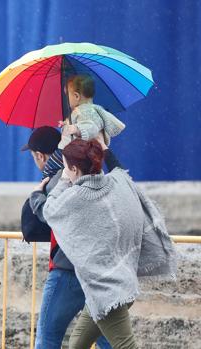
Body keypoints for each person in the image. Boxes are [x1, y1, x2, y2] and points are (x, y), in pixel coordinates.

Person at [31, 139, 177, 349]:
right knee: (78, 342)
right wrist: (104, 147)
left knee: (124, 345)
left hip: (108, 289)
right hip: (117, 281)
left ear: (73, 168)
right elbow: (120, 171)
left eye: (66, 168)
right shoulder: (115, 183)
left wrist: (48, 187)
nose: (65, 172)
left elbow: (49, 210)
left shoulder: (77, 196)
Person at [20, 127, 112, 349]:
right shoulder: (99, 180)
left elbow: (40, 220)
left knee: (47, 339)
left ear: (40, 156)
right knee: (109, 338)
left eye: (35, 157)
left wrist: (36, 195)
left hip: (67, 271)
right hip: (98, 271)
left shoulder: (57, 183)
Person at [58, 74, 126, 149]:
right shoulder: (86, 110)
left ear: (76, 96)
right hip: (72, 151)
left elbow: (91, 128)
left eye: (67, 96)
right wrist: (66, 123)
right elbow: (79, 122)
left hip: (76, 152)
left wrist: (77, 129)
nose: (67, 99)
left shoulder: (86, 111)